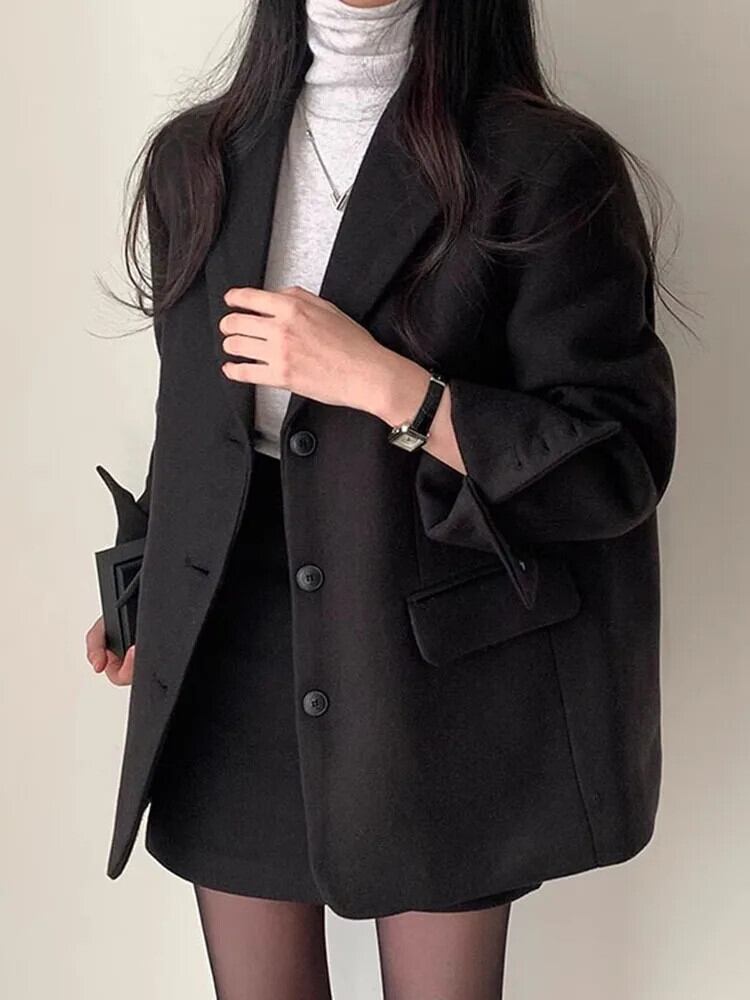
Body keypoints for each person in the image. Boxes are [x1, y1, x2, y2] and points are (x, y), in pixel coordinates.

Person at [85, 1, 678, 997]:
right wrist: (152, 591)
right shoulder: (197, 160)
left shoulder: (544, 166)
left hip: (436, 682)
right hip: (232, 661)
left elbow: (612, 463)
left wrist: (390, 386)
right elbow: (194, 427)